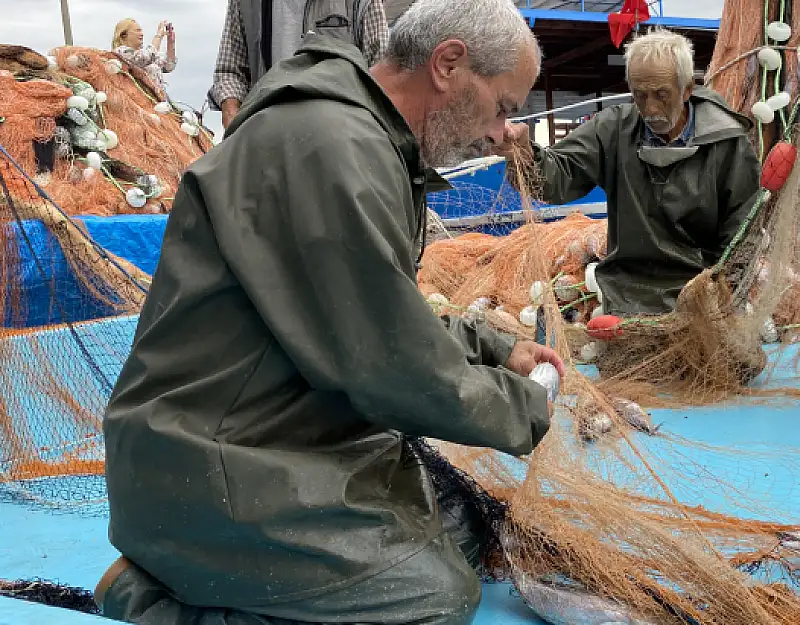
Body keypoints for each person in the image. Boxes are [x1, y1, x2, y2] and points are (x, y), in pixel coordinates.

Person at [92, 0, 560, 623]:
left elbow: (368, 311)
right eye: (504, 107)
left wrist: (491, 348)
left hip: (277, 429)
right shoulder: (334, 147)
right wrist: (528, 405)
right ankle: (151, 598)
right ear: (448, 64)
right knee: (431, 600)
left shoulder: (361, 138)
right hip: (209, 459)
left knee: (466, 532)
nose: (502, 132)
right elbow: (388, 367)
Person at [497, 28, 761, 318]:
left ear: (687, 89)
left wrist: (722, 290)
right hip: (628, 293)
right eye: (639, 95)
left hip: (703, 292)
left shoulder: (726, 143)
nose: (649, 109)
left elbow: (743, 225)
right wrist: (523, 154)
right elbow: (557, 178)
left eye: (662, 95)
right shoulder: (613, 130)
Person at [208, 0, 389, 130]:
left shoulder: (363, 3)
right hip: (268, 143)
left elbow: (383, 75)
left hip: (341, 145)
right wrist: (234, 124)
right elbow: (230, 72)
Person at [111, 18, 176, 94]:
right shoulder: (120, 52)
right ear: (124, 34)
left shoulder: (144, 54)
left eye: (141, 31)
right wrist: (158, 35)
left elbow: (169, 66)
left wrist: (171, 43)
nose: (142, 34)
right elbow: (146, 57)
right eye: (137, 30)